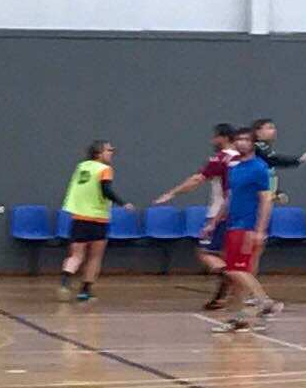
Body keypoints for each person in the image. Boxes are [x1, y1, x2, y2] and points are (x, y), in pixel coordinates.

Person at [154, 123, 239, 310]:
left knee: (205, 252)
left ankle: (237, 279)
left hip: (220, 213)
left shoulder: (220, 159)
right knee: (226, 255)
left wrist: (172, 193)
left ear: (224, 138)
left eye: (215, 137)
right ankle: (222, 297)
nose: (212, 141)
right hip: (242, 214)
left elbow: (197, 179)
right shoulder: (244, 159)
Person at [206, 127, 282, 333]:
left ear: (253, 143)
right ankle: (239, 319)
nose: (241, 143)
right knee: (237, 275)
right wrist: (214, 222)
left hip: (247, 226)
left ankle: (265, 302)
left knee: (234, 269)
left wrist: (260, 230)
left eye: (246, 140)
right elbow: (229, 198)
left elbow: (266, 200)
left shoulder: (259, 168)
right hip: (233, 224)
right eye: (238, 139)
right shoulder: (235, 168)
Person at [58, 140, 134, 303]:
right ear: (98, 153)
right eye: (109, 150)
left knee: (76, 255)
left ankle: (65, 281)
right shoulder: (104, 169)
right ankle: (85, 291)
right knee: (95, 257)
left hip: (79, 217)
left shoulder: (81, 167)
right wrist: (123, 203)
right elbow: (106, 190)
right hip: (98, 218)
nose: (112, 153)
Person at [252, 118, 306, 205]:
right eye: (270, 128)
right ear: (258, 132)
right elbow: (274, 159)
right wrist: (298, 160)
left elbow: (266, 178)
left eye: (274, 128)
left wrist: (276, 193)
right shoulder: (257, 148)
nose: (274, 131)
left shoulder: (265, 151)